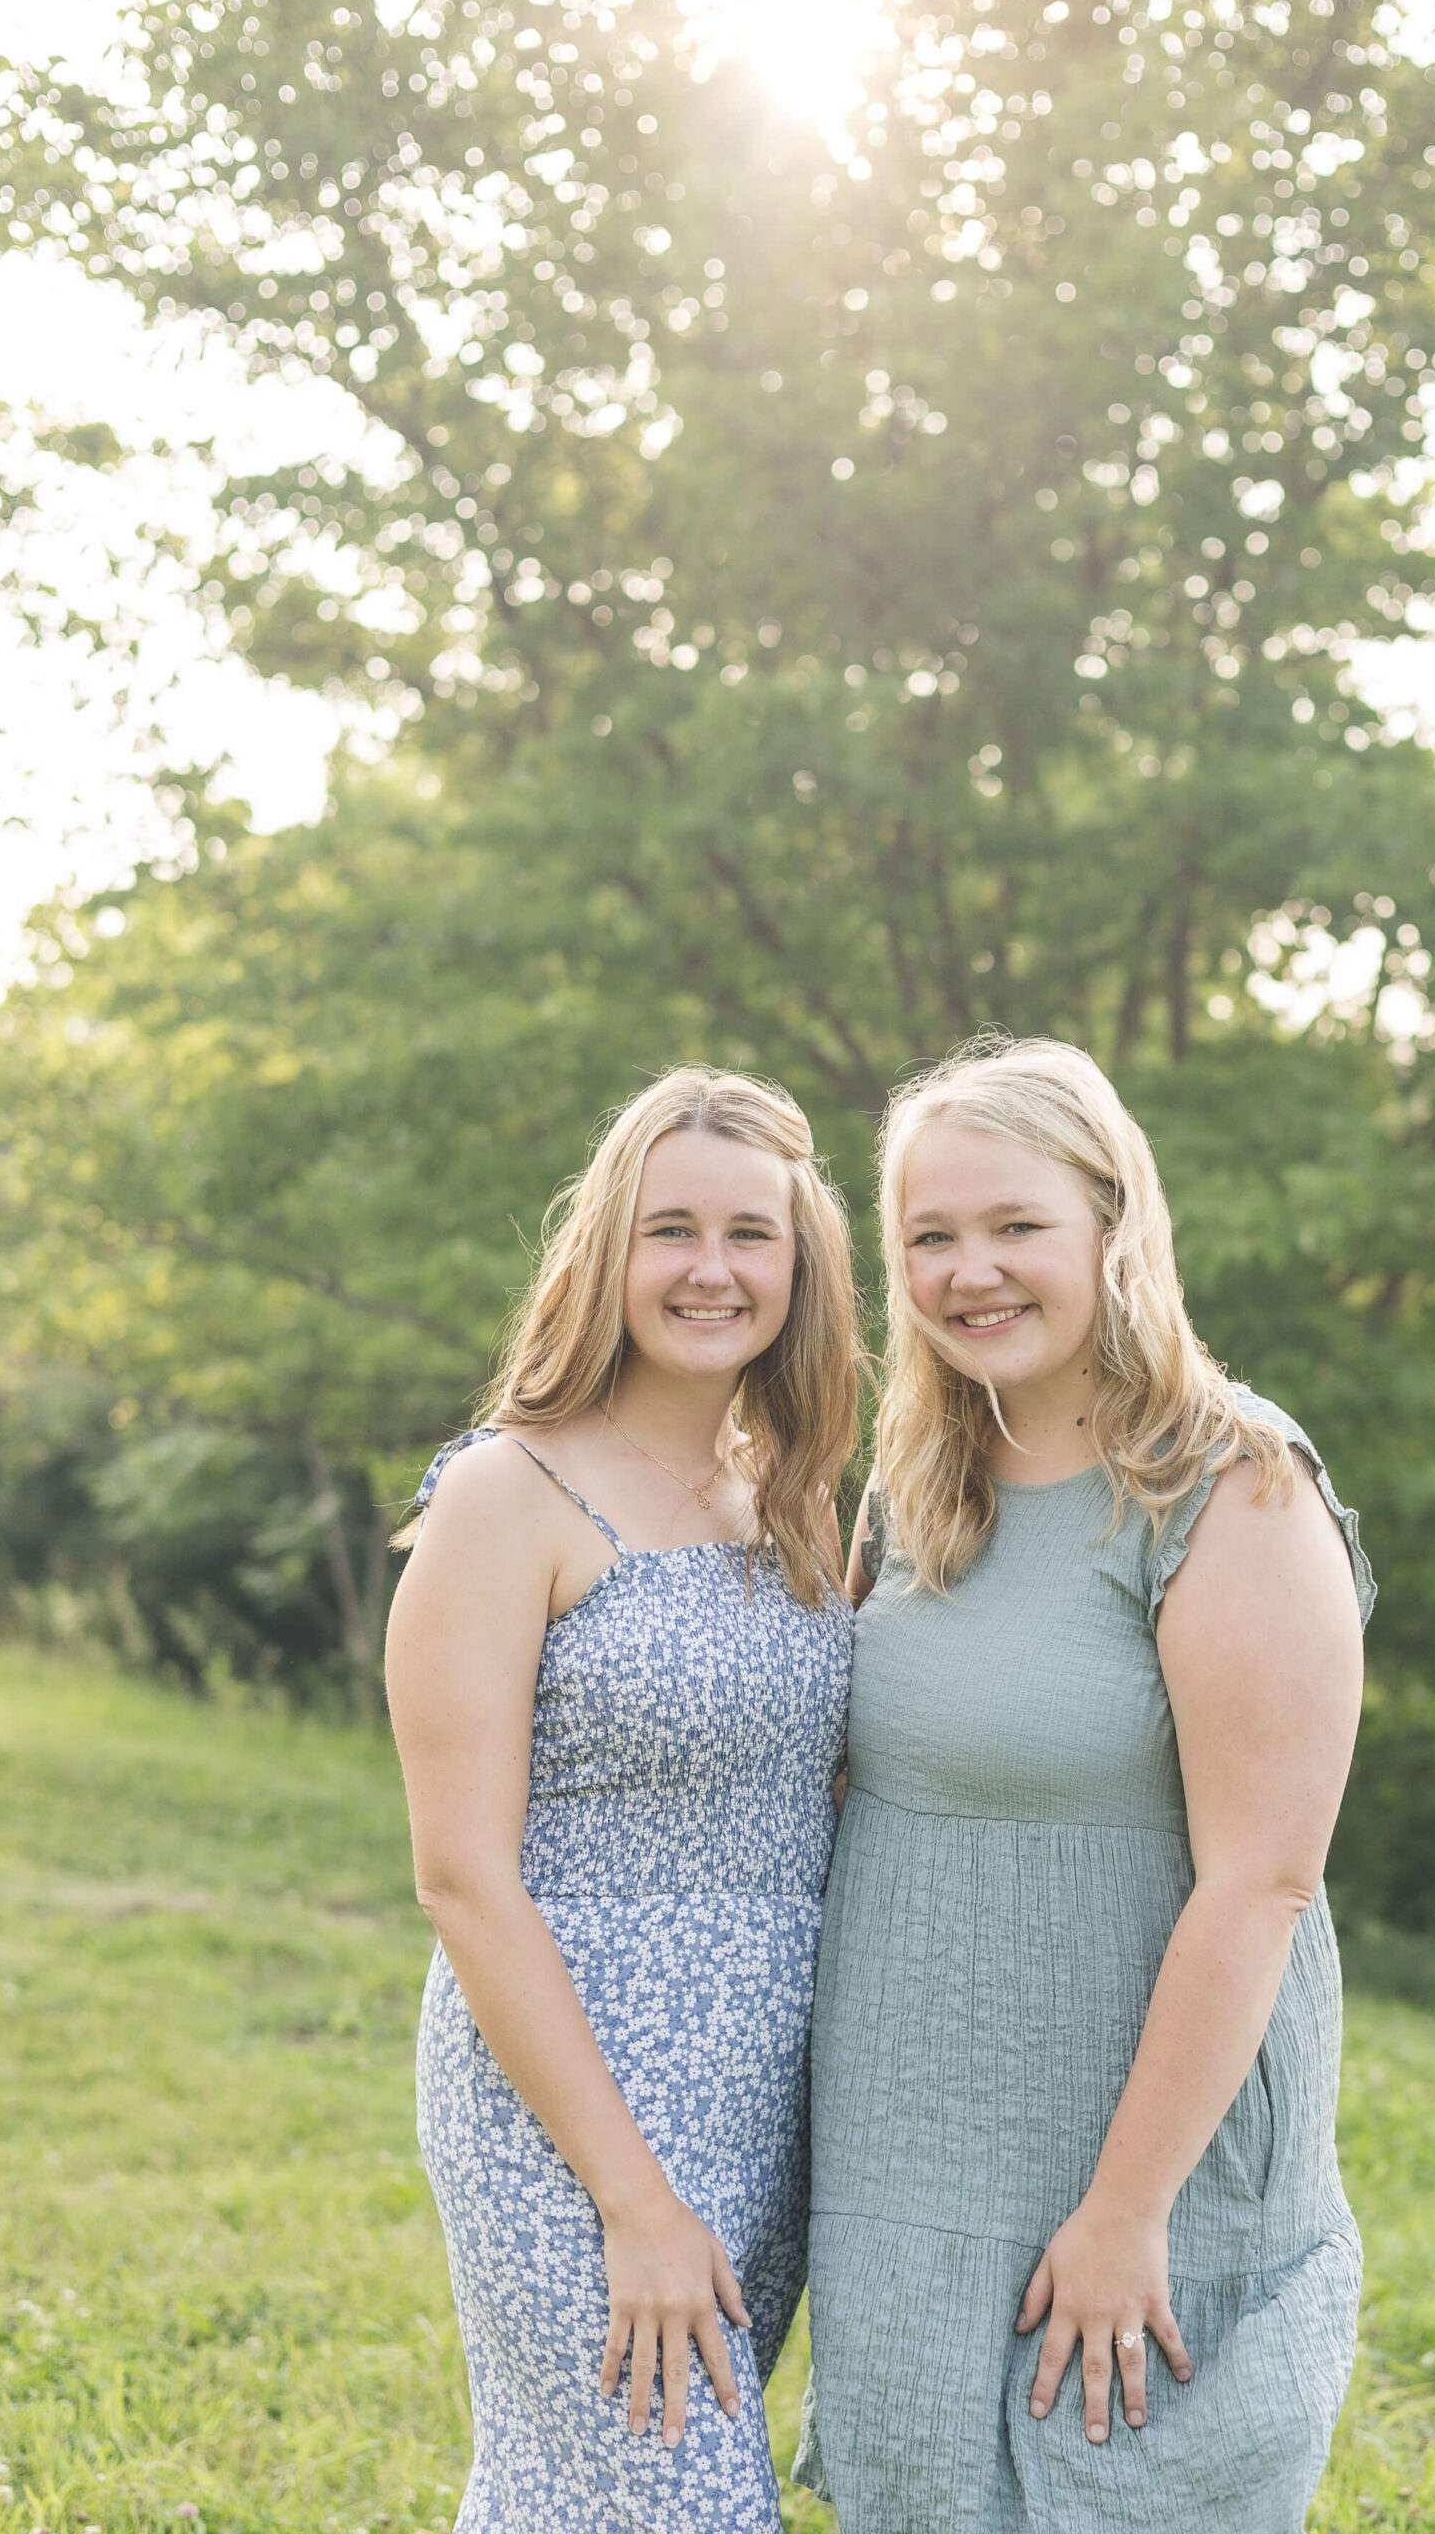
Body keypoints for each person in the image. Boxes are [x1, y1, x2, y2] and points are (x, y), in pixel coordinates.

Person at [797, 1034, 1374, 2534]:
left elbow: (1264, 1882)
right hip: (909, 2140)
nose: (969, 1270)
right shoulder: (918, 1477)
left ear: (1115, 1225)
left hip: (1134, 2149)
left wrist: (1127, 2217)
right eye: (930, 1235)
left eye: (1016, 1226)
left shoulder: (1231, 1484)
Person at [386, 1065, 859, 2533]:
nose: (710, 1269)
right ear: (607, 1251)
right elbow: (463, 1876)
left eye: (748, 1235)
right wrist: (634, 2200)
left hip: (763, 2088)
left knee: (572, 2498)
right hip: (570, 2103)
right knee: (679, 2501)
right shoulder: (504, 1496)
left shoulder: (787, 1490)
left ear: (799, 1264)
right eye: (670, 1231)